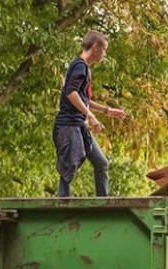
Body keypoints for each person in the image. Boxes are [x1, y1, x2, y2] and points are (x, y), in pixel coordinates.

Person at [53, 30, 126, 198]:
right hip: (69, 125)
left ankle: (104, 204)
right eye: (104, 49)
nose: (104, 54)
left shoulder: (83, 68)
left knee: (101, 163)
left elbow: (83, 98)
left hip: (79, 124)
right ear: (95, 47)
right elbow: (71, 93)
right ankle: (62, 203)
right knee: (69, 165)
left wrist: (107, 111)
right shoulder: (80, 66)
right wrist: (91, 117)